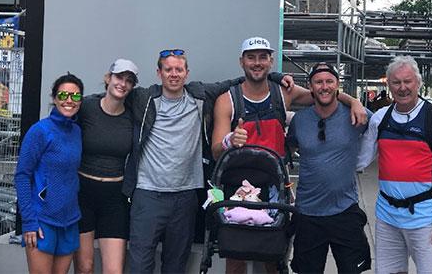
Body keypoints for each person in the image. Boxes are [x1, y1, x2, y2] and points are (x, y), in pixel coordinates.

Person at [121, 48, 291, 274]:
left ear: (187, 73)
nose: (174, 74)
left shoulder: (199, 96)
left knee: (175, 265)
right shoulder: (143, 98)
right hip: (147, 194)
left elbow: (246, 78)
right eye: (168, 69)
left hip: (186, 196)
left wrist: (276, 76)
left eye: (179, 69)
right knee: (140, 265)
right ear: (159, 73)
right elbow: (115, 93)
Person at [211, 38, 368, 274]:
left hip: (274, 187)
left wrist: (353, 101)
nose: (257, 63)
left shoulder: (284, 93)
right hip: (238, 188)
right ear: (241, 61)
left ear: (271, 61)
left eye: (263, 57)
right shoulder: (227, 99)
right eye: (251, 57)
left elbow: (323, 93)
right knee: (236, 259)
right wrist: (229, 141)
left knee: (273, 255)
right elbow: (215, 151)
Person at [357, 55, 432, 274]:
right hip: (387, 217)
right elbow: (361, 159)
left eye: (408, 81)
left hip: (425, 219)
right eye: (396, 82)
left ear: (418, 83)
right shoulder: (380, 118)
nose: (402, 88)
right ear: (389, 84)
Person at [286, 62, 372, 274]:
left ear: (337, 84)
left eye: (329, 81)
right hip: (308, 213)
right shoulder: (300, 120)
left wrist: (354, 101)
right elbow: (289, 146)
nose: (324, 86)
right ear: (310, 86)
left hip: (345, 210)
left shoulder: (357, 117)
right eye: (318, 82)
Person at [73, 59, 139, 274]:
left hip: (114, 197)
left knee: (114, 271)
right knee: (85, 267)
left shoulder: (133, 115)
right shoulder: (86, 107)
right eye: (119, 77)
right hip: (83, 193)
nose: (123, 84)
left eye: (129, 81)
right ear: (108, 78)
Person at [15, 73, 84, 274]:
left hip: (69, 220)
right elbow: (22, 175)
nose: (69, 101)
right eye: (63, 95)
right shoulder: (40, 131)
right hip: (42, 221)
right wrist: (28, 221)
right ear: (54, 98)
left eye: (75, 96)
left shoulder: (77, 132)